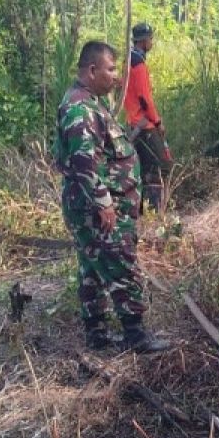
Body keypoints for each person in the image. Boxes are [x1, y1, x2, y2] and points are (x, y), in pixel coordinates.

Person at [53, 40, 170, 353]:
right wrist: (104, 203)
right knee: (122, 264)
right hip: (95, 209)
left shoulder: (90, 102)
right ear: (92, 70)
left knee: (92, 270)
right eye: (110, 69)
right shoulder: (80, 108)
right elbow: (83, 162)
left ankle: (98, 336)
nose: (116, 76)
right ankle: (136, 334)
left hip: (89, 206)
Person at [123, 22, 173, 211]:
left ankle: (142, 211)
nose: (152, 42)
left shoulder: (127, 61)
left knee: (142, 167)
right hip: (145, 126)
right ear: (143, 41)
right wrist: (158, 122)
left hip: (133, 125)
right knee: (161, 166)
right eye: (150, 39)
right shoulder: (139, 65)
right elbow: (145, 99)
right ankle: (154, 210)